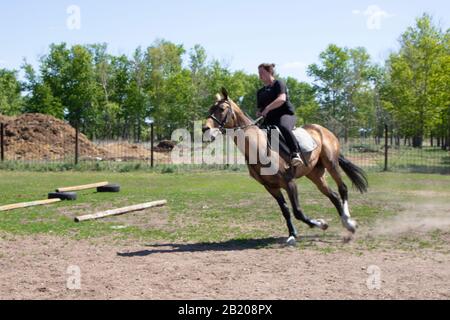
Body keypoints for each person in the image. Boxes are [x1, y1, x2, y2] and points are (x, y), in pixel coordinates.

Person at [256, 63, 303, 166]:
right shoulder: (260, 92)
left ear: (270, 72)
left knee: (283, 126)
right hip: (270, 120)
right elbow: (260, 109)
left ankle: (295, 154)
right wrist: (259, 112)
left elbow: (282, 99)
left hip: (286, 115)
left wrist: (267, 108)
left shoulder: (278, 83)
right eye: (258, 73)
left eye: (262, 72)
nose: (259, 75)